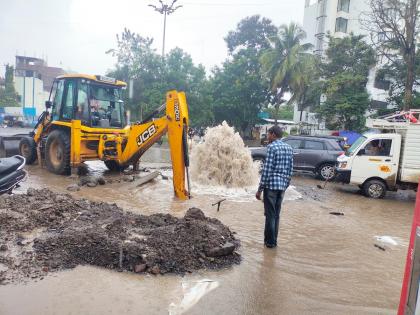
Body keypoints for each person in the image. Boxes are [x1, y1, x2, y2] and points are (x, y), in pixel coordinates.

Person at [256, 125, 293, 249]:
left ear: (273, 134)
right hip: (282, 186)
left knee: (270, 215)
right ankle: (274, 241)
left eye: (268, 134)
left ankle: (269, 243)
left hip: (271, 185)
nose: (267, 136)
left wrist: (260, 189)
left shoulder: (272, 147)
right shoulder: (289, 148)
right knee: (276, 214)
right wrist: (286, 184)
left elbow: (267, 170)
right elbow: (290, 169)